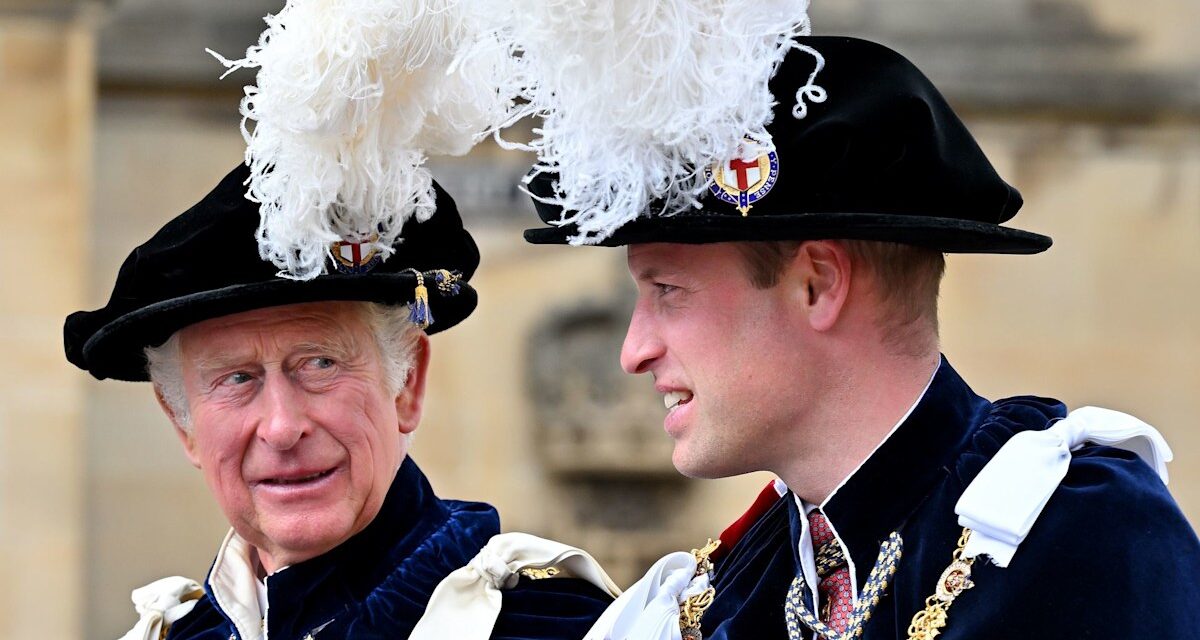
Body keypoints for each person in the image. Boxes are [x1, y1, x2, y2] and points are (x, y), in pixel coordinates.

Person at [519, 33, 1200, 639]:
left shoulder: (1078, 539)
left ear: (816, 284)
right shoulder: (728, 592)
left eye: (667, 292)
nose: (633, 351)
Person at [64, 164, 615, 640]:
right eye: (236, 379)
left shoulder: (555, 623)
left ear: (406, 387)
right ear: (182, 423)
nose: (281, 427)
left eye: (319, 364)